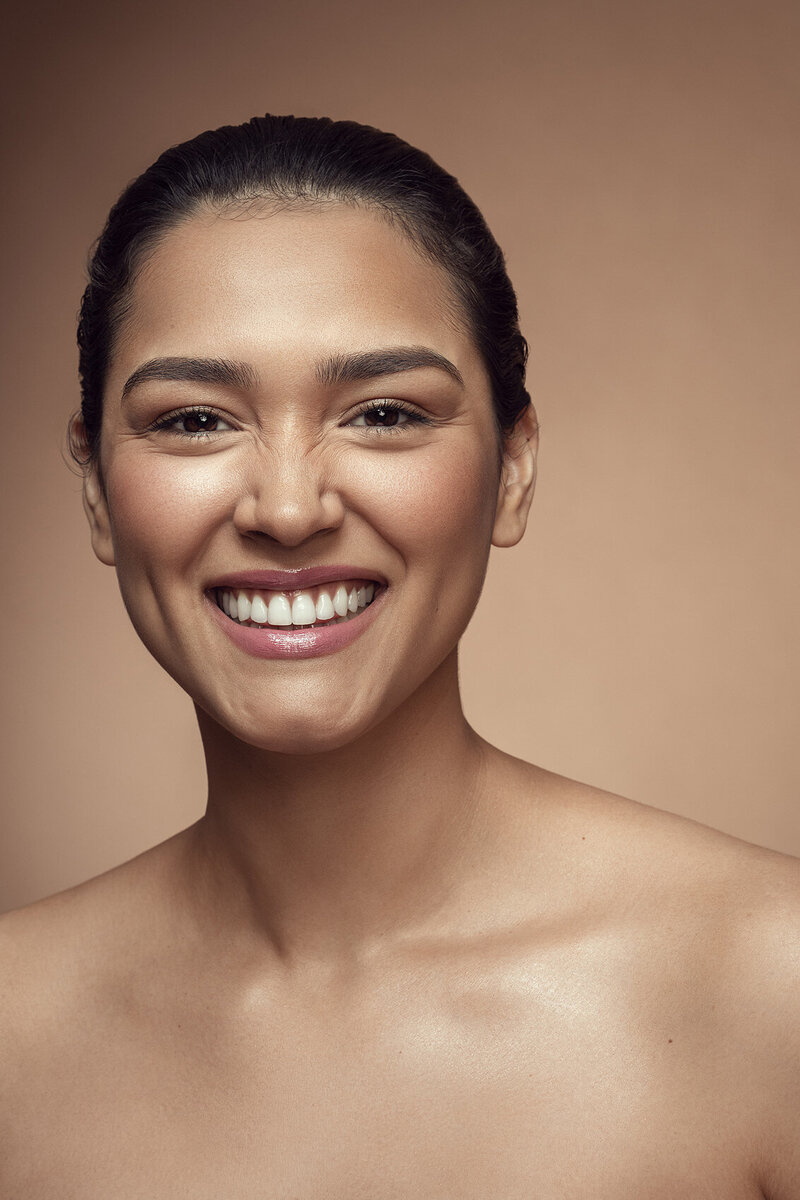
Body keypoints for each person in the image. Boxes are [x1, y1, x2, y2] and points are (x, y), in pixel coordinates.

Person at [1, 113, 798, 1198]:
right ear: (96, 488)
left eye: (382, 414)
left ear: (512, 470)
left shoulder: (768, 991)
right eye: (193, 421)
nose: (287, 507)